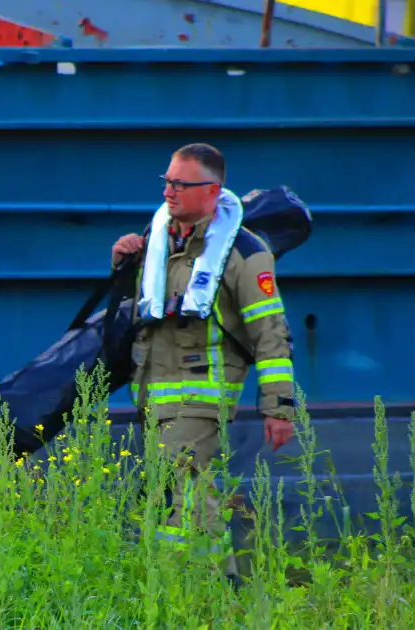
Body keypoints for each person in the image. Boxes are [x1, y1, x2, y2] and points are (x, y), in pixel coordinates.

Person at [111, 143, 296, 582]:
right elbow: (141, 314)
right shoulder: (159, 243)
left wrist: (278, 408)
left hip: (201, 391)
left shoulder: (245, 255)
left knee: (187, 491)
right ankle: (207, 588)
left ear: (212, 190)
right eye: (167, 182)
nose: (169, 192)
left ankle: (201, 587)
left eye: (181, 184)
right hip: (155, 393)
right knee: (181, 491)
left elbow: (269, 331)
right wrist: (121, 265)